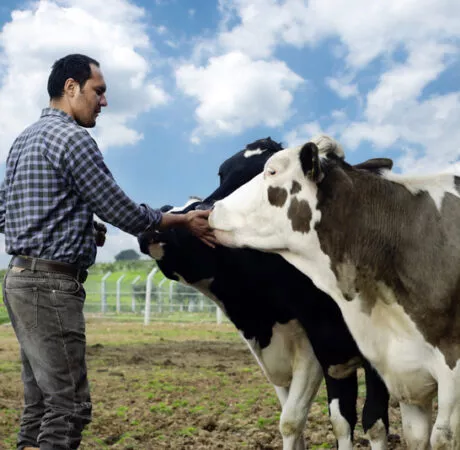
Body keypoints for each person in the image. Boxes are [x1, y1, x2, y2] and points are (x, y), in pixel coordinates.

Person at [0, 53, 216, 450]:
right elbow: (123, 211)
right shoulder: (74, 139)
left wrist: (79, 226)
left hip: (19, 281)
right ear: (71, 88)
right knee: (68, 407)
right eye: (98, 91)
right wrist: (182, 221)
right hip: (50, 286)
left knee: (40, 406)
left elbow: (5, 212)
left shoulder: (22, 141)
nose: (104, 101)